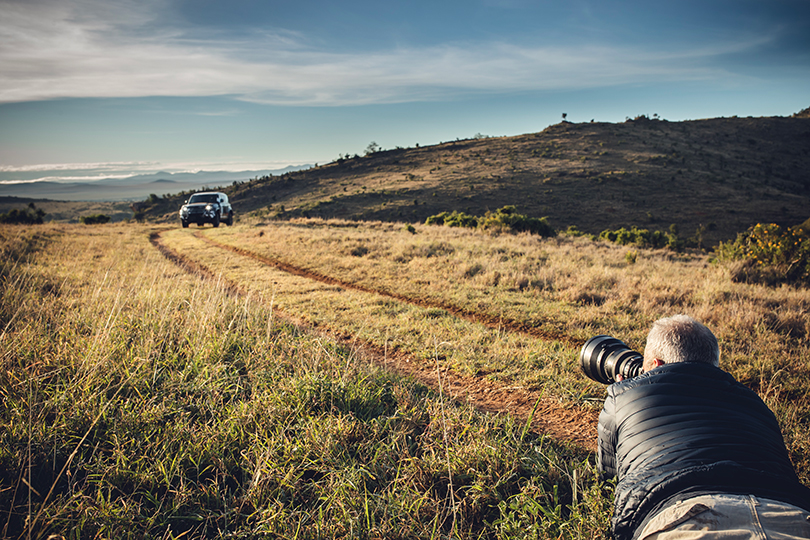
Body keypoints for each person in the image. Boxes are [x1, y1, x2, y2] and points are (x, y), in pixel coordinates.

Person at [597, 314, 810, 540]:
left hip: (684, 515)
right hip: (792, 514)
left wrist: (626, 393)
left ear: (656, 364)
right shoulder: (755, 401)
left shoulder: (623, 394)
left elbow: (609, 479)